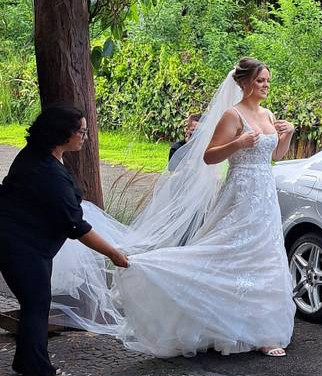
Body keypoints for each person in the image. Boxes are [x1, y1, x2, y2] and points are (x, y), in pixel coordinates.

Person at [50, 58, 297, 359]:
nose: (266, 85)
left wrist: (288, 134)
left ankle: (263, 330)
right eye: (260, 81)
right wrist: (240, 143)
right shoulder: (233, 116)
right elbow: (209, 157)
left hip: (265, 197)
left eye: (268, 80)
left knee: (264, 256)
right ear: (244, 83)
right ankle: (167, 284)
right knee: (229, 252)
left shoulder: (269, 115)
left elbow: (276, 157)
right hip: (241, 193)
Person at [0, 105, 128, 376]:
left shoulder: (41, 155)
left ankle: (27, 361)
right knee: (35, 306)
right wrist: (113, 253)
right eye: (81, 131)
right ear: (62, 134)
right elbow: (76, 225)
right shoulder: (46, 172)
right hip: (20, 245)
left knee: (34, 303)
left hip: (22, 242)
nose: (85, 136)